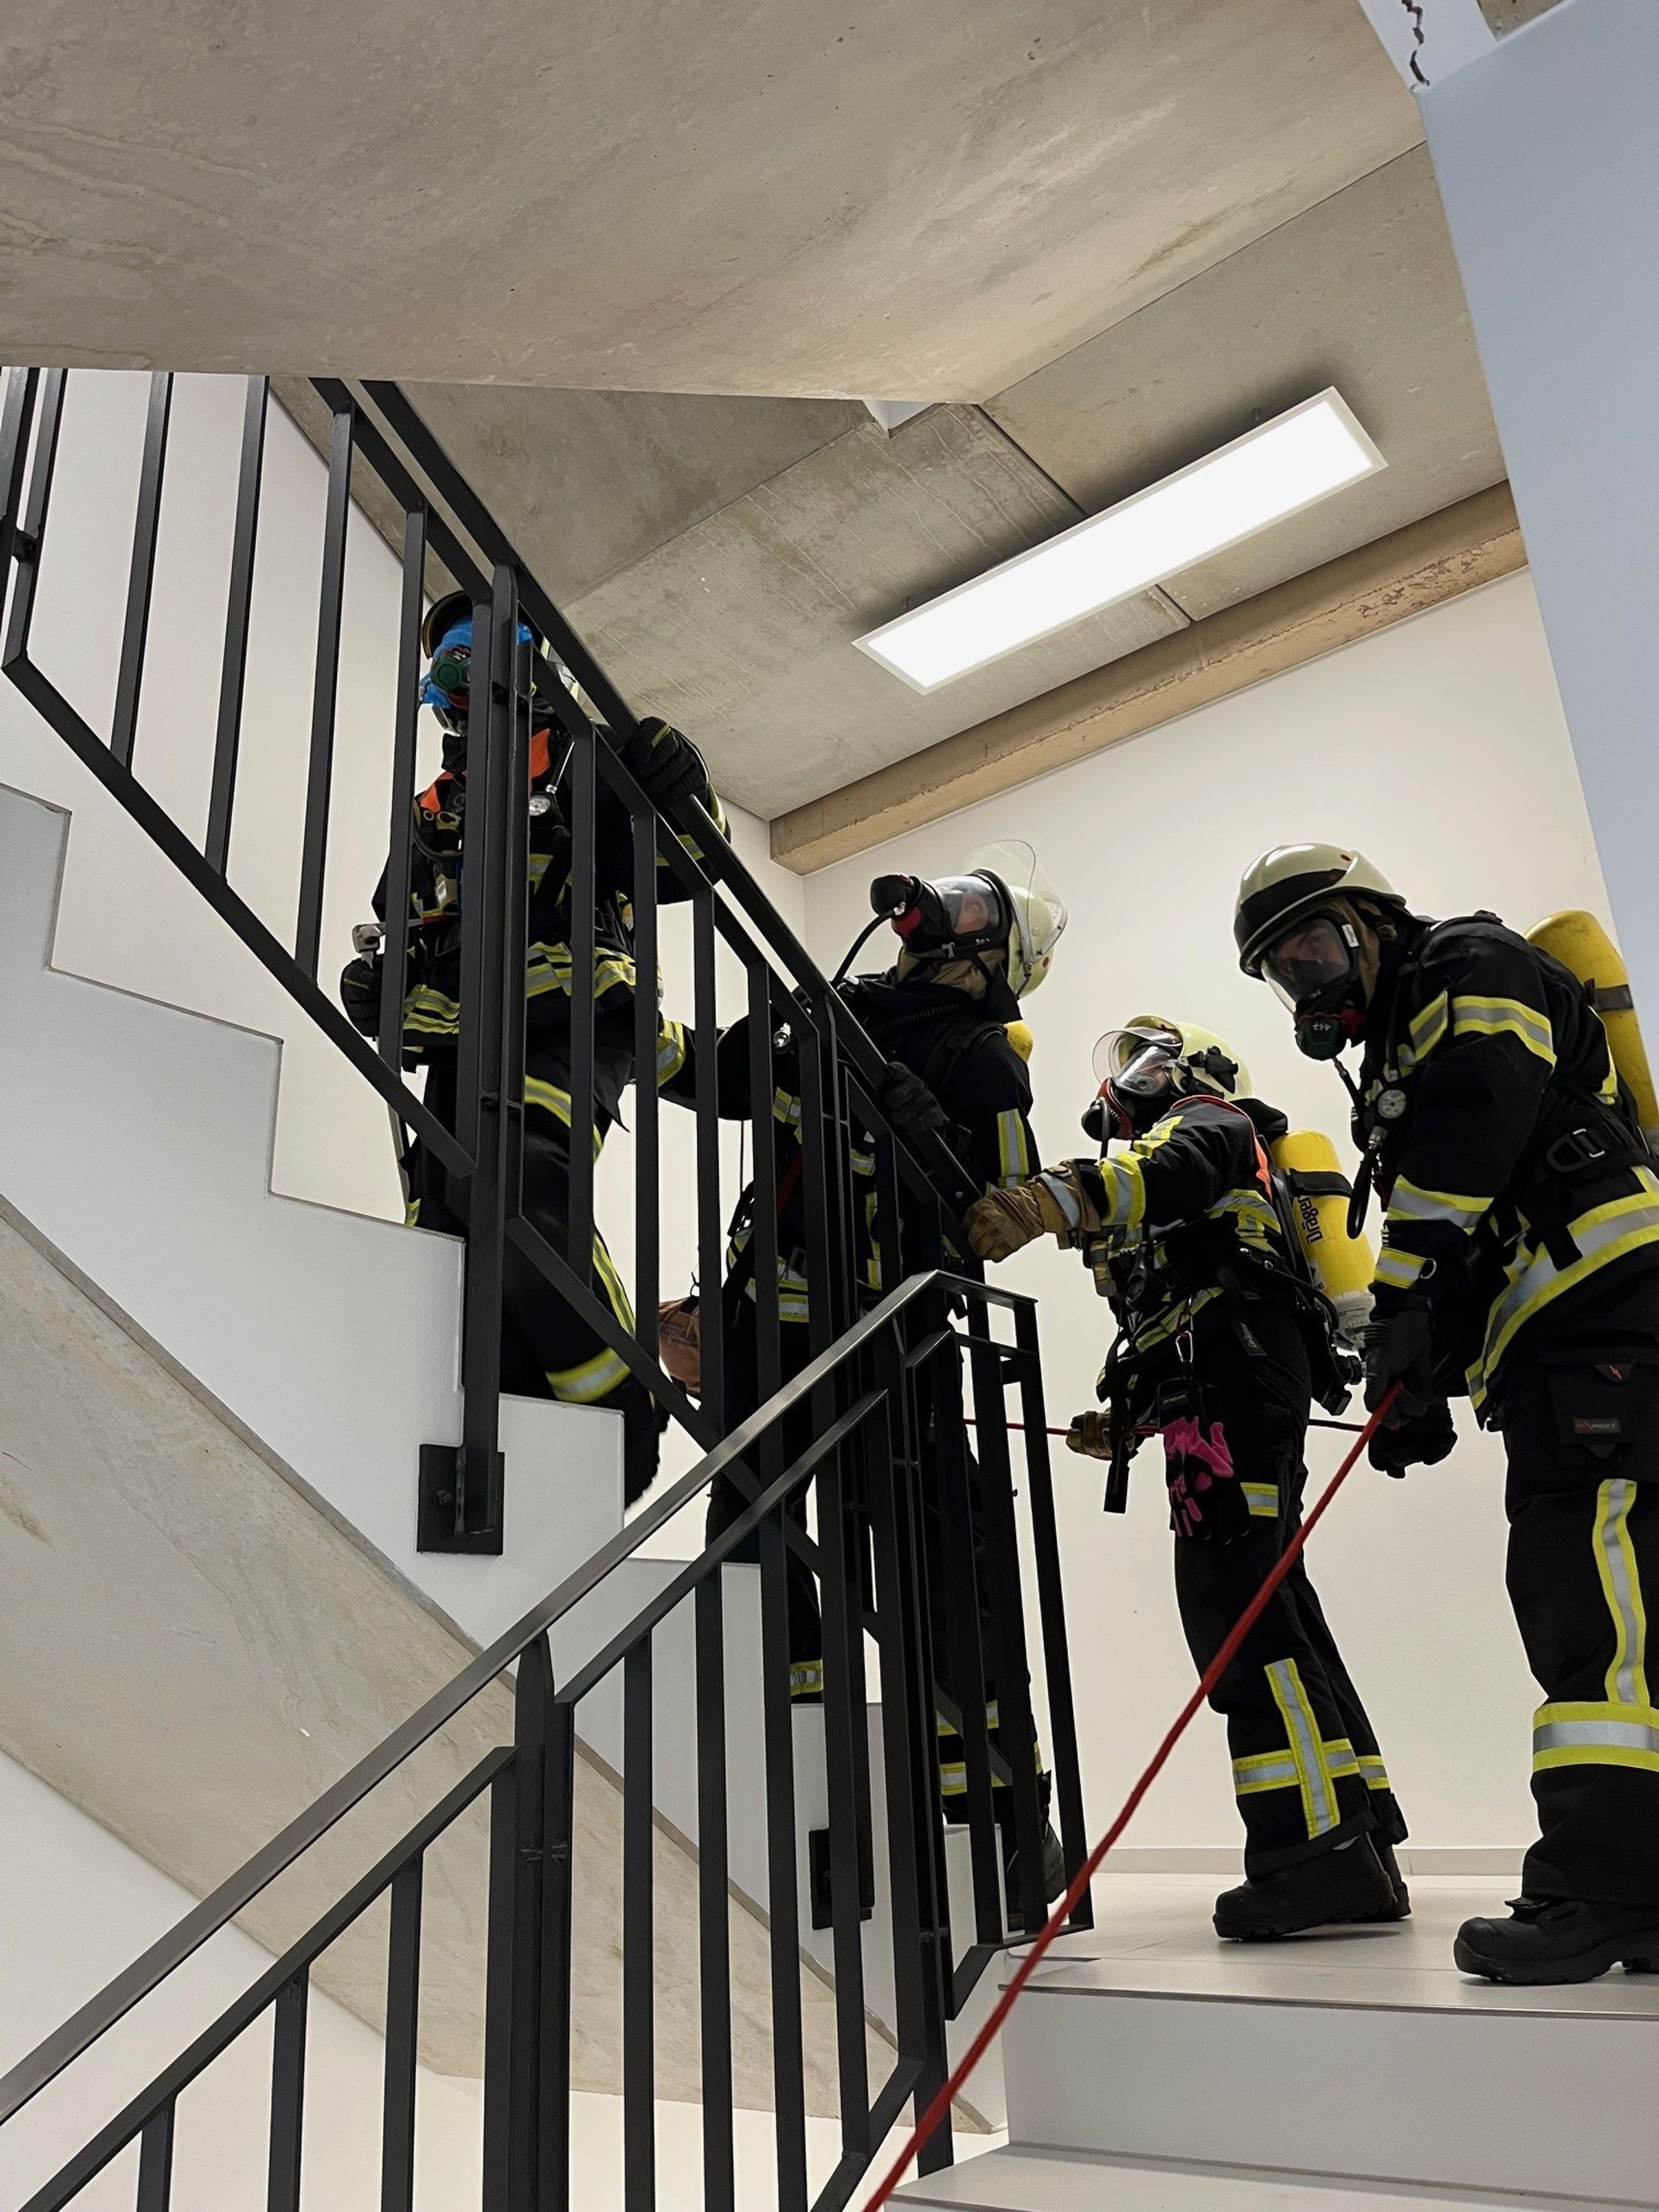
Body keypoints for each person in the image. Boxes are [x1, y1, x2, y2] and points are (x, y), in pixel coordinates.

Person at [1235, 843, 1659, 1983]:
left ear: (1373, 920)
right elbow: (1474, 1223)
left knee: (1591, 1602)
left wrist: (1404, 1298)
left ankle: (1600, 1889)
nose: (1306, 978)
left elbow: (1479, 1117)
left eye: (1315, 945)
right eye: (1281, 969)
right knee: (1633, 1604)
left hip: (1606, 1322)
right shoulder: (1402, 1048)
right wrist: (1425, 1382)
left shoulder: (1464, 961)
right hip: (1586, 1339)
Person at [670, 844, 1069, 1906]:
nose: (936, 906)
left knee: (942, 1564)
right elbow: (715, 1084)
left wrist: (926, 1150)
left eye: (972, 903)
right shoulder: (833, 1010)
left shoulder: (985, 1056)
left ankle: (995, 1820)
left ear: (999, 951)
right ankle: (778, 1751)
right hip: (776, 1327)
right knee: (749, 1527)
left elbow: (1001, 1210)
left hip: (896, 1338)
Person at [966, 1017, 1408, 1938]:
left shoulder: (1209, 1120)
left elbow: (1170, 1204)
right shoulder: (1203, 1158)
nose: (1121, 1084)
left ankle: (1311, 1851)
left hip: (1235, 1376)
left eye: (1140, 1062)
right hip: (1229, 1386)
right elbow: (1185, 1300)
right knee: (1271, 1598)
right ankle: (1360, 1841)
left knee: (1231, 1601)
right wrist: (1134, 1417)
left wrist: (1047, 1201)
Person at [341, 591, 726, 1504]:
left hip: (572, 1019)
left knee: (518, 1177)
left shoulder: (592, 767)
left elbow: (688, 864)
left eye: (486, 648)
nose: (468, 671)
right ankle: (515, 1438)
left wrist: (681, 780)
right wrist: (376, 988)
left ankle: (622, 1420)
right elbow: (402, 922)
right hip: (461, 1036)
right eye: (451, 659)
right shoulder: (438, 808)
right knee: (446, 1225)